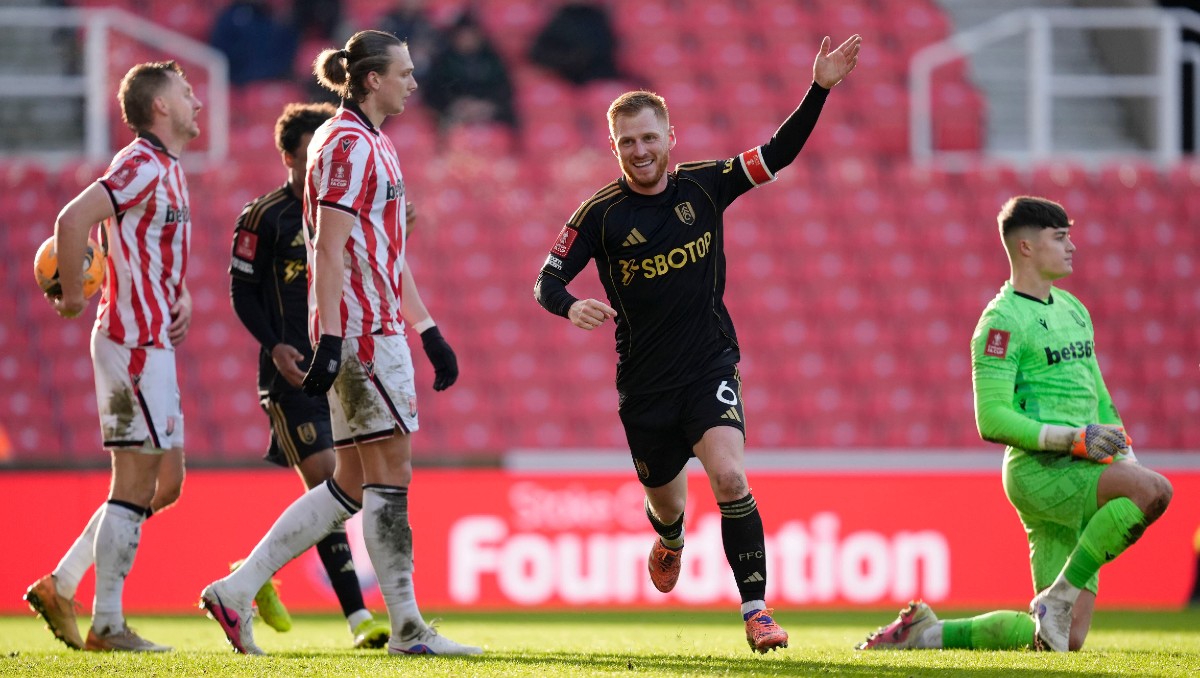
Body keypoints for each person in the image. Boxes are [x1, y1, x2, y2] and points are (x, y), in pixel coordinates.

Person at [533, 34, 862, 653]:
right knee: (665, 501)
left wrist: (819, 88)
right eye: (627, 141)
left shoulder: (707, 185)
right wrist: (570, 303)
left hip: (709, 364)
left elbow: (777, 154)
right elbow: (545, 278)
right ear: (615, 147)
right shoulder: (599, 214)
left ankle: (757, 611)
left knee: (731, 478)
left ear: (670, 138)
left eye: (649, 137)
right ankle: (671, 536)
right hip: (644, 387)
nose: (640, 150)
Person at [200, 29, 478, 657]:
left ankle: (236, 589)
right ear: (373, 79)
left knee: (350, 482)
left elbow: (381, 250)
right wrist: (330, 337)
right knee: (390, 475)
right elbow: (328, 244)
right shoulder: (352, 145)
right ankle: (407, 628)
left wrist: (428, 327)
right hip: (365, 333)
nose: (414, 81)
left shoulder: (364, 140)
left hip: (371, 326)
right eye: (404, 72)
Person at [857, 196, 1174, 652]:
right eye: (1060, 238)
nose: (1073, 247)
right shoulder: (1001, 322)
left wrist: (1124, 452)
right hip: (1041, 470)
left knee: (1064, 640)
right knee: (1155, 492)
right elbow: (991, 418)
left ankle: (927, 633)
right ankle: (1059, 597)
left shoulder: (1074, 309)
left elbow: (1097, 392)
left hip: (1082, 464)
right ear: (1025, 247)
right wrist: (1071, 438)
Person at [24, 61, 202, 652]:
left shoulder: (170, 169)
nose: (196, 98)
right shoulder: (138, 164)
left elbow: (148, 248)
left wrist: (180, 296)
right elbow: (72, 219)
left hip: (155, 340)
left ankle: (62, 583)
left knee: (166, 483)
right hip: (130, 343)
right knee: (134, 479)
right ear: (159, 107)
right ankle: (107, 623)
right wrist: (74, 297)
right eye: (185, 91)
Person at [226, 101, 391, 648]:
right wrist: (274, 346)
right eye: (306, 155)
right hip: (290, 374)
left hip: (338, 367)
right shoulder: (264, 216)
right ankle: (358, 619)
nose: (318, 162)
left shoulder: (337, 209)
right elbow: (241, 292)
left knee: (351, 488)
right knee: (331, 485)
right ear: (288, 156)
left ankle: (252, 573)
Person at [420, 11, 517, 133]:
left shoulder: (492, 60)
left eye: (471, 36)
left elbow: (505, 90)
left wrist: (486, 106)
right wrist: (456, 106)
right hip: (455, 115)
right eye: (463, 36)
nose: (467, 40)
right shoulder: (443, 62)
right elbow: (432, 94)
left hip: (488, 113)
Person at [529, 0, 621, 85]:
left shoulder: (598, 17)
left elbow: (604, 52)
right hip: (562, 77)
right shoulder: (561, 17)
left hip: (596, 77)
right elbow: (539, 53)